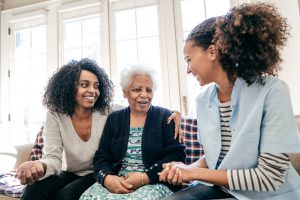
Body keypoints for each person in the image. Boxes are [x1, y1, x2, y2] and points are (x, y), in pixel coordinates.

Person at [159, 3, 300, 200]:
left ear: (212, 51)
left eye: (188, 59)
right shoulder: (203, 100)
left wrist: (194, 173)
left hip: (268, 194)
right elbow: (214, 157)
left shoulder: (273, 91)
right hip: (224, 189)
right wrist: (185, 169)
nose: (187, 68)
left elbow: (270, 177)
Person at [16, 58, 181, 200]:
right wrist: (39, 165)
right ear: (68, 87)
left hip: (95, 173)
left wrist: (175, 114)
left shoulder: (109, 112)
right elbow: (53, 158)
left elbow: (139, 106)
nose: (92, 91)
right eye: (84, 85)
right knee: (34, 189)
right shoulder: (56, 115)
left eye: (96, 86)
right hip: (72, 171)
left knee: (66, 196)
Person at [80, 64, 186, 200]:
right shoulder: (114, 119)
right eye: (137, 89)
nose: (144, 95)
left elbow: (177, 156)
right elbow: (102, 156)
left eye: (149, 90)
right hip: (119, 180)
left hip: (154, 182)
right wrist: (108, 178)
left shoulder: (166, 117)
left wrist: (145, 177)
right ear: (125, 92)